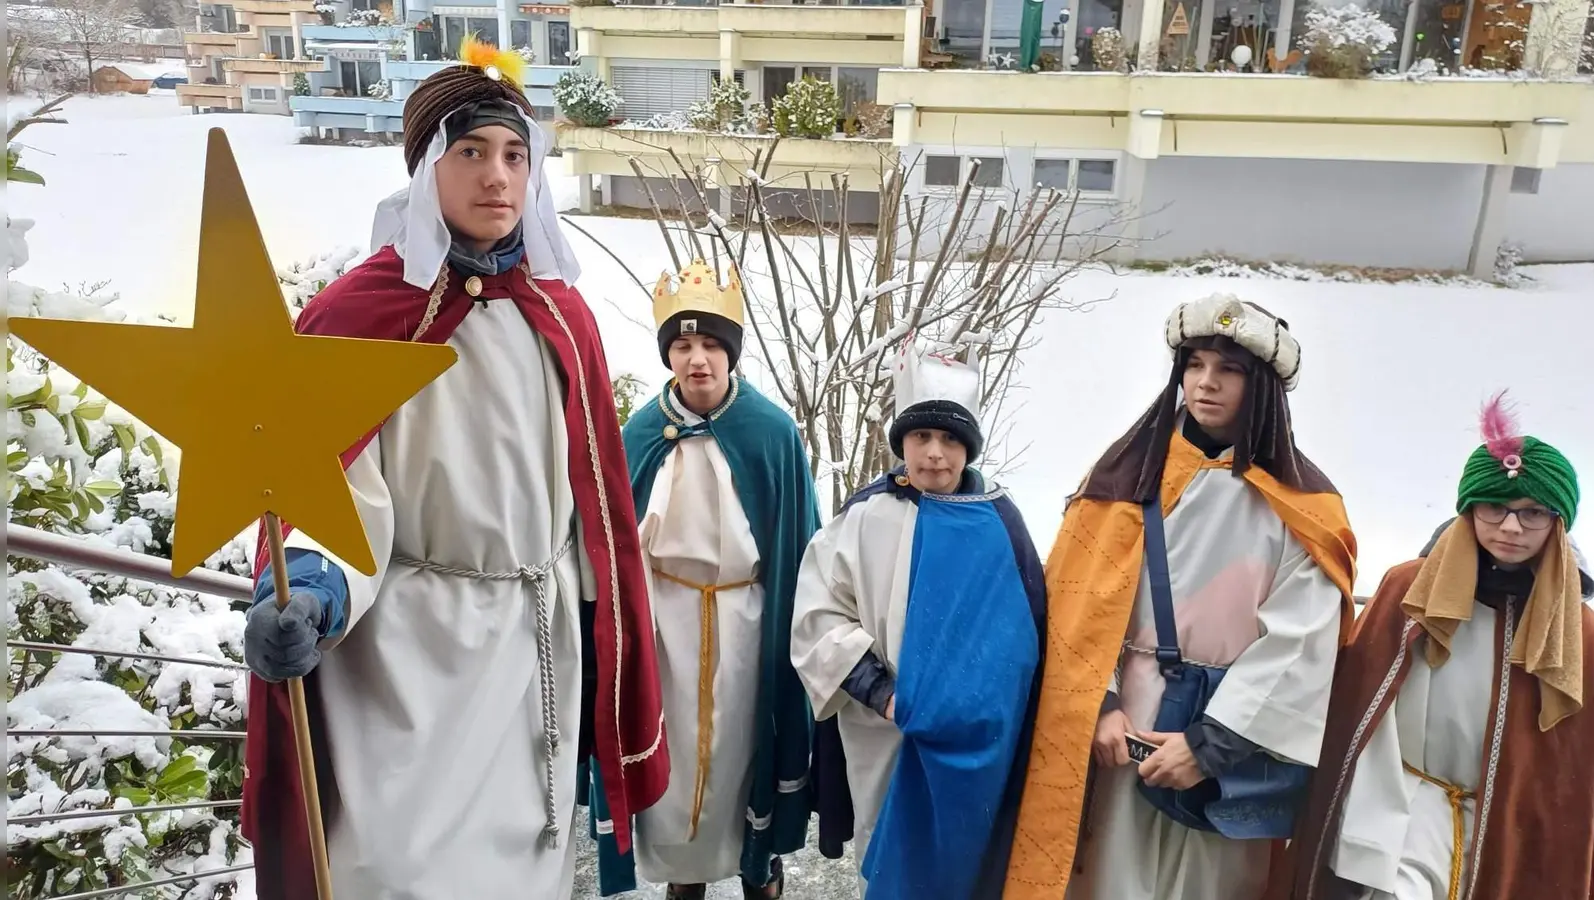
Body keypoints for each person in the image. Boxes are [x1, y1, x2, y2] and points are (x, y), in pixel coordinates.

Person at [237, 39, 669, 900]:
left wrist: (607, 621)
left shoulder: (563, 316)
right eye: (470, 153)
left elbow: (595, 505)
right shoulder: (356, 317)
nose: (497, 178)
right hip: (405, 652)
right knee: (393, 868)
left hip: (531, 648)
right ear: (427, 166)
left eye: (515, 156)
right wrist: (313, 591)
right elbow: (328, 489)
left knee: (525, 866)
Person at [1003, 293, 1359, 900]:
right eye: (1194, 365)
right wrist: (1102, 704)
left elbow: (1302, 643)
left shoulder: (1305, 507)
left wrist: (1209, 745)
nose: (1206, 383)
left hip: (1237, 738)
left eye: (1230, 370)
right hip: (1126, 726)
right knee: (1110, 879)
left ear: (1264, 386)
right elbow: (1072, 610)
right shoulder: (1120, 481)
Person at [1271, 393, 1594, 900]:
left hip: (1513, 823)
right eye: (1495, 507)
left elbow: (1574, 771)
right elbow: (1352, 709)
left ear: (1557, 524)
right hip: (1403, 807)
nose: (1511, 527)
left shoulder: (1580, 632)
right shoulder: (1408, 590)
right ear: (1469, 510)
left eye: (1533, 513)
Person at [592, 259, 819, 899]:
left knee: (738, 753)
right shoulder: (639, 432)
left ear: (731, 353)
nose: (698, 360)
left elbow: (803, 544)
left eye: (712, 344)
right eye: (684, 345)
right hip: (663, 628)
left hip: (747, 622)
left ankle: (758, 868)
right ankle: (682, 879)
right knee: (673, 753)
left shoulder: (771, 434)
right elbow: (610, 541)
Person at [791, 341, 1047, 900]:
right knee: (890, 860)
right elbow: (818, 617)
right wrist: (881, 692)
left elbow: (1028, 629)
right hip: (887, 731)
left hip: (980, 740)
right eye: (921, 437)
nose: (935, 453)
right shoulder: (864, 518)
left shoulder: (1001, 523)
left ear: (969, 448)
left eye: (951, 439)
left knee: (968, 864)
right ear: (901, 442)